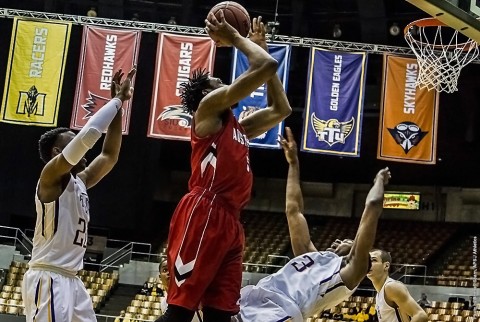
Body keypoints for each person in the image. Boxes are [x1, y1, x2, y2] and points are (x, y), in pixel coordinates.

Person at [157, 14, 291, 322]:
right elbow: (266, 65)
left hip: (231, 219)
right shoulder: (207, 111)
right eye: (218, 82)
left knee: (221, 314)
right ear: (207, 93)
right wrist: (237, 40)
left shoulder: (238, 127)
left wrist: (261, 49)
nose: (225, 83)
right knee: (180, 311)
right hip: (204, 209)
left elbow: (281, 109)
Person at [232, 127, 391, 322]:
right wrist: (293, 163)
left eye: (347, 241)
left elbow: (372, 207)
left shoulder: (347, 275)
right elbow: (293, 210)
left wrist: (379, 181)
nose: (338, 240)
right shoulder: (312, 256)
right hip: (254, 297)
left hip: (278, 312)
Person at [21, 67, 136, 322]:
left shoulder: (80, 180)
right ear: (56, 152)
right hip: (48, 275)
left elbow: (109, 156)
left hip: (72, 279)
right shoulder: (50, 177)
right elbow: (88, 137)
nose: (80, 149)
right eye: (70, 142)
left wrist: (119, 109)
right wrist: (115, 100)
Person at [367, 250, 428, 322]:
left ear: (386, 266)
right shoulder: (379, 293)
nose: (368, 264)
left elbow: (420, 315)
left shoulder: (391, 287)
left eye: (374, 260)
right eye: (367, 261)